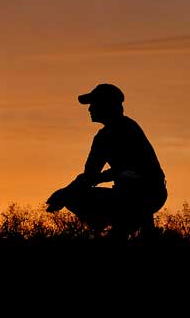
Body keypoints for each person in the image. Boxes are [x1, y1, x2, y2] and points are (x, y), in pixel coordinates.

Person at [46, 83, 167, 238]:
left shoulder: (127, 128)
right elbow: (90, 175)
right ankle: (123, 228)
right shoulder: (103, 137)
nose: (89, 109)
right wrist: (67, 192)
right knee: (78, 194)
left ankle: (136, 231)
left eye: (93, 104)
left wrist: (67, 192)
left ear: (106, 105)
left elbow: (131, 168)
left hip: (149, 193)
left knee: (130, 181)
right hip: (132, 194)